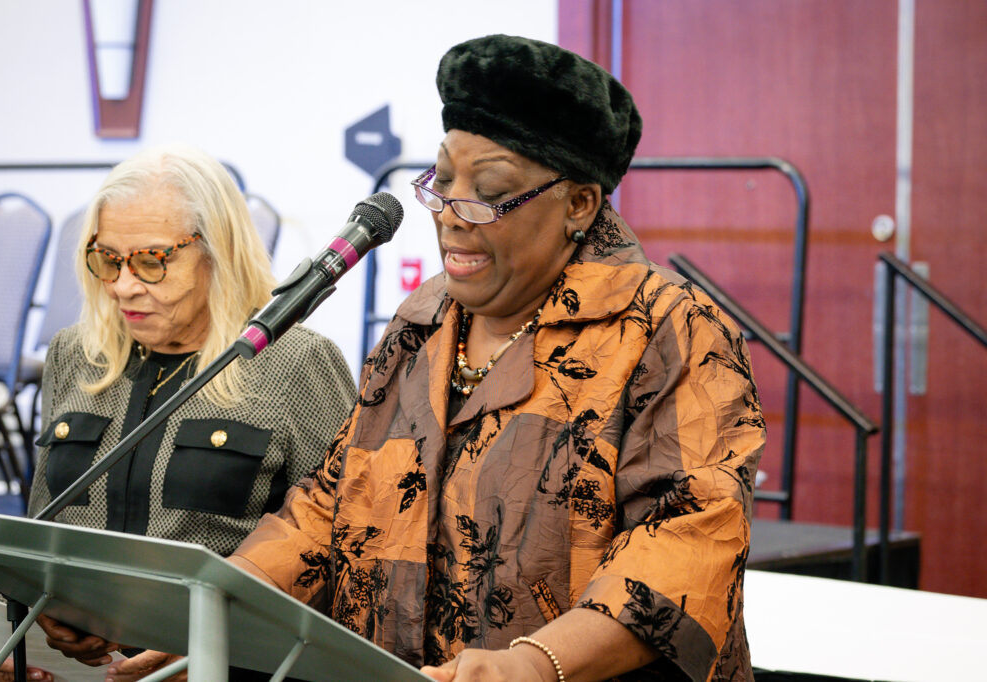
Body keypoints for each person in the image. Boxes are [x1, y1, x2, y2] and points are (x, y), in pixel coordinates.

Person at [226, 34, 765, 682]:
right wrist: (215, 606)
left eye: (488, 191)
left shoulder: (670, 329)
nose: (450, 216)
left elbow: (687, 540)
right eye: (441, 182)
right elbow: (332, 505)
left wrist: (534, 666)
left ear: (579, 204)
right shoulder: (421, 322)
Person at [0, 144, 357, 681]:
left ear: (216, 250)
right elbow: (43, 538)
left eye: (152, 261)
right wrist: (17, 632)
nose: (123, 286)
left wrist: (221, 641)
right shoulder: (74, 354)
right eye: (107, 259)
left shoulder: (296, 362)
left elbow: (344, 555)